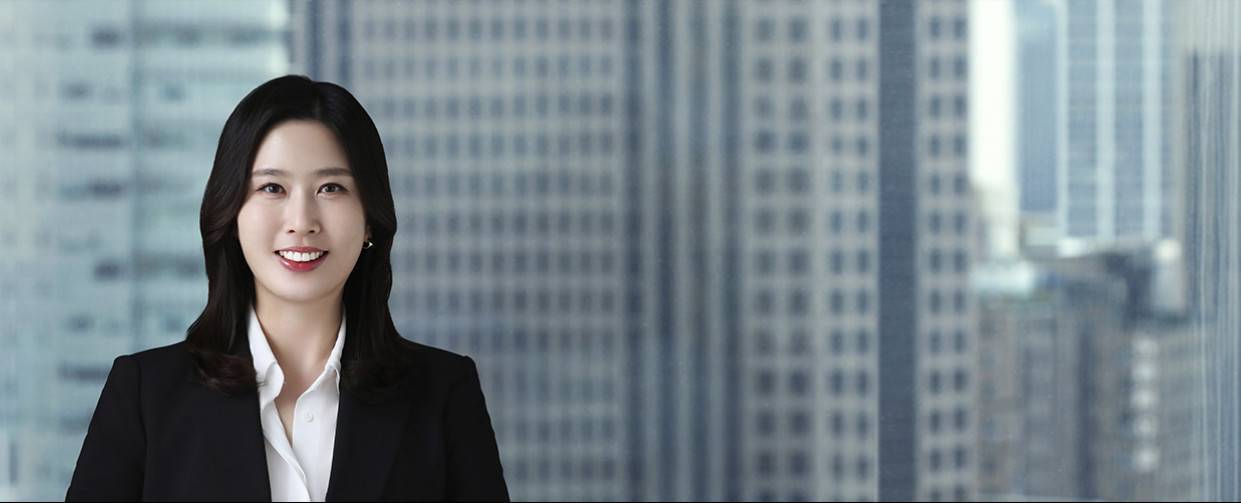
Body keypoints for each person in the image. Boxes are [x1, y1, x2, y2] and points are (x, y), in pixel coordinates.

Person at [65, 75, 509, 501]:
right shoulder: (145, 395)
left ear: (370, 219)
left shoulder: (444, 394)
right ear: (231, 214)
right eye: (272, 187)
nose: (301, 221)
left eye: (331, 187)